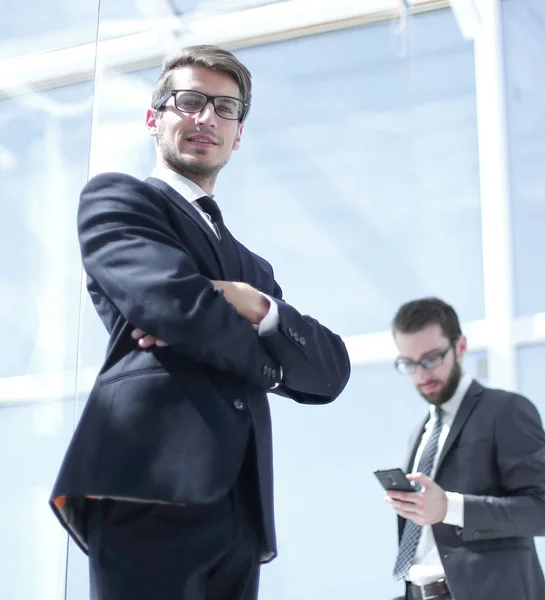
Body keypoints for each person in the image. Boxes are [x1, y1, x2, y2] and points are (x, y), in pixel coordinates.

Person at [50, 44, 351, 600]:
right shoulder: (117, 199)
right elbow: (172, 305)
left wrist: (249, 302)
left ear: (238, 135)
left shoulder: (253, 270)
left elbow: (329, 372)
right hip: (147, 484)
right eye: (189, 102)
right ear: (154, 118)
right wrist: (272, 361)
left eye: (225, 108)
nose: (206, 117)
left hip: (241, 507)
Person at [384, 297, 545, 600]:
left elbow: (539, 513)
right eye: (409, 364)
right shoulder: (420, 433)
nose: (422, 374)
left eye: (432, 358)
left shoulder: (506, 410)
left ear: (460, 347)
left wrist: (448, 507)